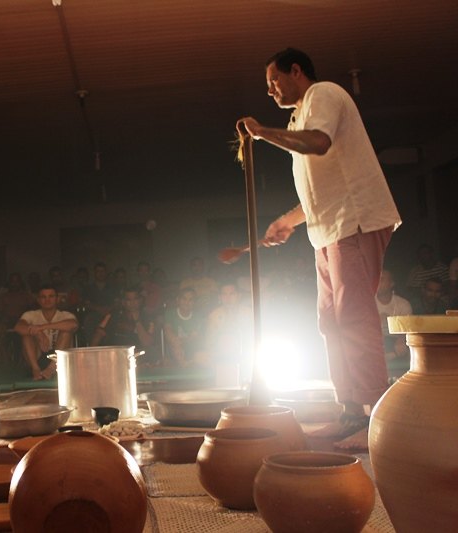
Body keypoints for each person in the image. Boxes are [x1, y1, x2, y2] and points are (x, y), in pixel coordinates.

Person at [238, 48, 401, 450]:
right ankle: (349, 413)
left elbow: (319, 143)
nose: (272, 91)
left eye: (275, 81)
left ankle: (375, 418)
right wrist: (288, 222)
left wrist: (262, 132)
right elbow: (318, 189)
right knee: (330, 321)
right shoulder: (299, 115)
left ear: (297, 71)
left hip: (356, 222)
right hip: (328, 230)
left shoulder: (324, 94)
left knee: (353, 318)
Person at [14, 285, 78, 380]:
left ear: (57, 299)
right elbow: (18, 328)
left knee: (66, 332)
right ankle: (36, 369)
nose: (47, 300)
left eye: (51, 296)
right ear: (38, 300)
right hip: (37, 357)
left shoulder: (65, 315)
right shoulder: (30, 315)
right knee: (26, 336)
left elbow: (73, 325)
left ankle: (51, 368)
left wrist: (41, 328)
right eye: (43, 297)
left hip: (59, 360)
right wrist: (37, 333)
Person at [374, 270, 411, 364]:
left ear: (391, 283)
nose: (378, 282)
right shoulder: (369, 303)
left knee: (404, 345)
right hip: (375, 341)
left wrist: (390, 320)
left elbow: (407, 332)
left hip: (395, 343)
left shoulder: (403, 304)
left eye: (382, 279)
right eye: (376, 278)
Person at [162, 287, 205, 367]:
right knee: (175, 345)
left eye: (190, 300)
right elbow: (168, 331)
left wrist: (180, 341)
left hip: (192, 348)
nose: (187, 302)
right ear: (178, 300)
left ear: (194, 302)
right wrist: (176, 341)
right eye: (184, 299)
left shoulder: (197, 316)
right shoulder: (170, 313)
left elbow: (194, 338)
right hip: (173, 348)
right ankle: (184, 365)